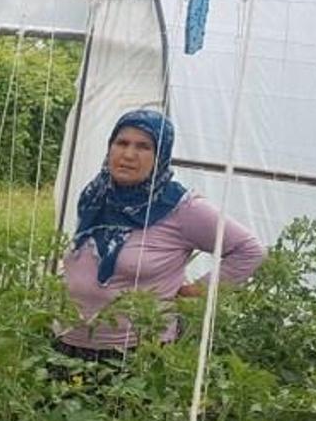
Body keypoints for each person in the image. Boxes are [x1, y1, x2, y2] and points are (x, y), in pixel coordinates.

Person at [55, 109, 267, 361]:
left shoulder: (181, 208)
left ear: (161, 155)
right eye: (121, 143)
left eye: (143, 147)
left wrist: (195, 291)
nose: (128, 154)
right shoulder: (96, 197)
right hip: (67, 342)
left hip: (134, 352)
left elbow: (250, 251)